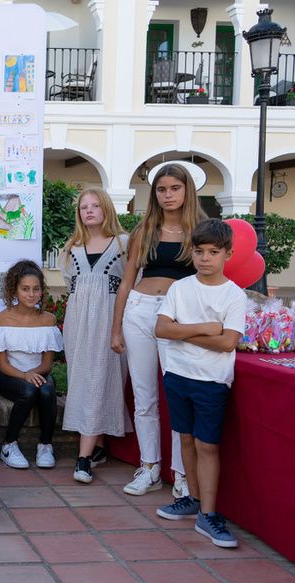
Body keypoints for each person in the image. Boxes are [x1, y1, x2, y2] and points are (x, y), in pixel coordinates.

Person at [111, 163, 206, 497]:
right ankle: (149, 466)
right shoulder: (145, 229)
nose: (168, 195)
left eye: (175, 188)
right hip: (139, 311)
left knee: (177, 395)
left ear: (187, 190)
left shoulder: (200, 230)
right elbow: (126, 282)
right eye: (162, 189)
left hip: (177, 318)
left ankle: (181, 473)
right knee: (144, 395)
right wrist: (116, 329)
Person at [153, 219, 246, 548]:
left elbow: (227, 342)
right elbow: (161, 329)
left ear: (228, 254)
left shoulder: (234, 295)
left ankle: (208, 514)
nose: (205, 258)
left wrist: (183, 331)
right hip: (177, 374)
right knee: (186, 439)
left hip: (211, 380)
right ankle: (193, 499)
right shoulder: (180, 288)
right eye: (199, 251)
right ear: (191, 252)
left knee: (207, 445)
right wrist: (207, 327)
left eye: (213, 252)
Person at [60, 188, 131, 484]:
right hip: (78, 323)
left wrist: (120, 326)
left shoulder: (124, 243)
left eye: (95, 206)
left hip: (109, 322)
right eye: (83, 207)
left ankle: (83, 458)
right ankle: (98, 448)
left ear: (106, 209)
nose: (88, 211)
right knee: (84, 380)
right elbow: (71, 286)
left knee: (100, 380)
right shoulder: (72, 247)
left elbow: (131, 284)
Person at [0, 260, 63, 470]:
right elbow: (3, 366)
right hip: (11, 377)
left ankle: (45, 445)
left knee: (47, 390)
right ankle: (9, 445)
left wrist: (32, 374)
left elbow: (47, 364)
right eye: (25, 289)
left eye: (36, 289)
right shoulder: (0, 320)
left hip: (40, 373)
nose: (31, 294)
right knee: (28, 392)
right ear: (14, 290)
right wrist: (24, 375)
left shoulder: (48, 320)